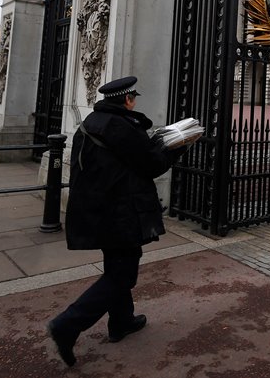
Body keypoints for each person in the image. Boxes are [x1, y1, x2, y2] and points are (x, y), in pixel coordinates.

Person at [47, 76, 182, 367]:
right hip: (120, 211)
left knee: (116, 264)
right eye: (134, 97)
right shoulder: (121, 127)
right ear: (127, 99)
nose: (135, 101)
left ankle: (121, 321)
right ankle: (67, 324)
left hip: (98, 210)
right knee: (122, 274)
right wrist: (177, 147)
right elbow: (151, 165)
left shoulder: (91, 122)